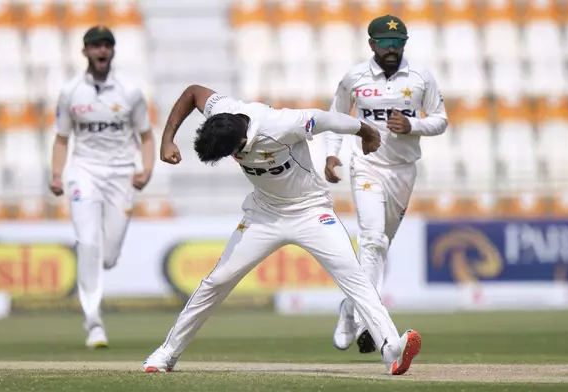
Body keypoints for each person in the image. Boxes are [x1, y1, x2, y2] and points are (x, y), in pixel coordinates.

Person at [141, 84, 421, 375]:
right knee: (217, 281)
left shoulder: (283, 124)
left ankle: (391, 349)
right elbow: (193, 93)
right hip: (264, 214)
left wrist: (366, 131)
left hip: (311, 211)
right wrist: (167, 139)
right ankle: (166, 354)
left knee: (353, 275)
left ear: (239, 141)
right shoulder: (222, 110)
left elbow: (325, 119)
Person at [325, 15, 448, 354]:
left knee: (380, 247)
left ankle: (349, 309)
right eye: (385, 43)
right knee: (372, 240)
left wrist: (412, 126)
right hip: (366, 165)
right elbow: (336, 117)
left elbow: (440, 120)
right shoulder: (355, 77)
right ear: (372, 45)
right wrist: (331, 156)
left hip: (403, 171)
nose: (392, 49)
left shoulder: (421, 77)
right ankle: (368, 320)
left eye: (398, 43)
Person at [49, 26, 155, 348]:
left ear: (113, 51)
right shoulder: (70, 92)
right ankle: (93, 322)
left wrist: (146, 169)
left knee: (107, 257)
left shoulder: (131, 91)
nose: (102, 50)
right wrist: (57, 174)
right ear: (85, 51)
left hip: (121, 175)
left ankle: (95, 293)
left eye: (107, 45)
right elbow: (62, 138)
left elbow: (147, 136)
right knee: (89, 242)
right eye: (96, 45)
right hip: (84, 173)